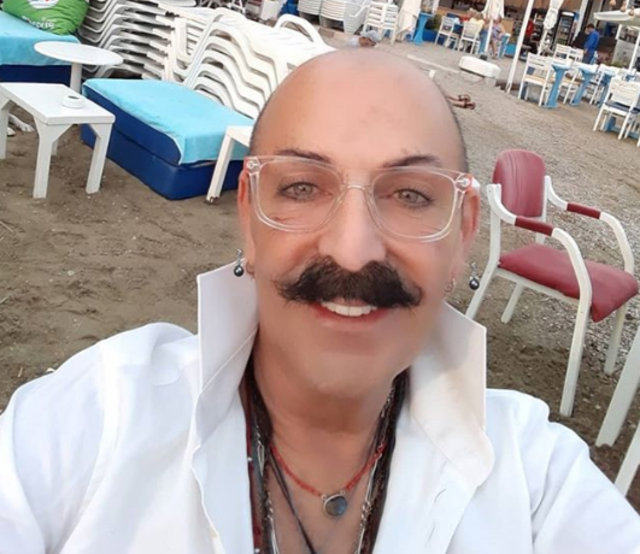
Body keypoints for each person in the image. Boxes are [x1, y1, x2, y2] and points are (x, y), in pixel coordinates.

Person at [1, 50, 639, 554]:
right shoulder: (99, 421)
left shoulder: (535, 481)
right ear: (249, 218)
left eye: (411, 195)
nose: (354, 251)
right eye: (303, 187)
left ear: (464, 234)